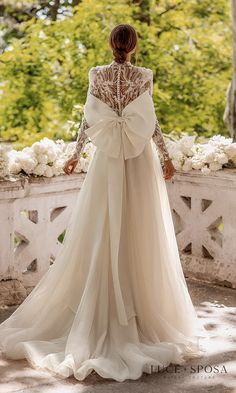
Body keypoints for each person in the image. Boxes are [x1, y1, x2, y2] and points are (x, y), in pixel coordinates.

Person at [0, 24, 208, 382]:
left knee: (101, 228)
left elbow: (87, 118)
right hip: (139, 160)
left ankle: (109, 304)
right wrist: (166, 156)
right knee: (140, 231)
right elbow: (151, 121)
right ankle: (136, 310)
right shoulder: (144, 75)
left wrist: (75, 154)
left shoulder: (97, 74)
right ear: (134, 46)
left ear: (111, 44)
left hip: (107, 158)